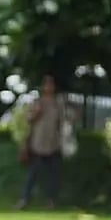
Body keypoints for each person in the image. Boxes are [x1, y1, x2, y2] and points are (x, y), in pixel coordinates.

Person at [16, 74, 71, 210]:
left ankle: (51, 200)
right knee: (33, 173)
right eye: (46, 85)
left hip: (54, 142)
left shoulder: (58, 103)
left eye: (51, 85)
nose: (49, 87)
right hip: (38, 142)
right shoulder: (37, 102)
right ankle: (25, 199)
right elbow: (28, 120)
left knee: (54, 174)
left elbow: (62, 122)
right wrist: (36, 114)